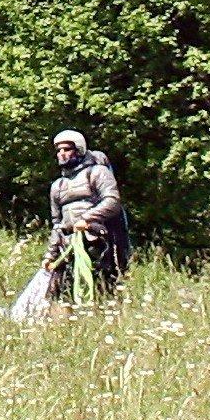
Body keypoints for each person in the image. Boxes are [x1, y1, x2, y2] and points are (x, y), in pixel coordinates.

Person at [46, 128, 131, 299]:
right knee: (62, 294)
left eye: (67, 149)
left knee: (100, 287)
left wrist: (87, 219)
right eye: (59, 150)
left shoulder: (97, 173)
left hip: (95, 242)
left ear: (79, 150)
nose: (62, 154)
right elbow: (57, 224)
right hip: (67, 247)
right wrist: (51, 255)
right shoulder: (57, 186)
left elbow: (112, 201)